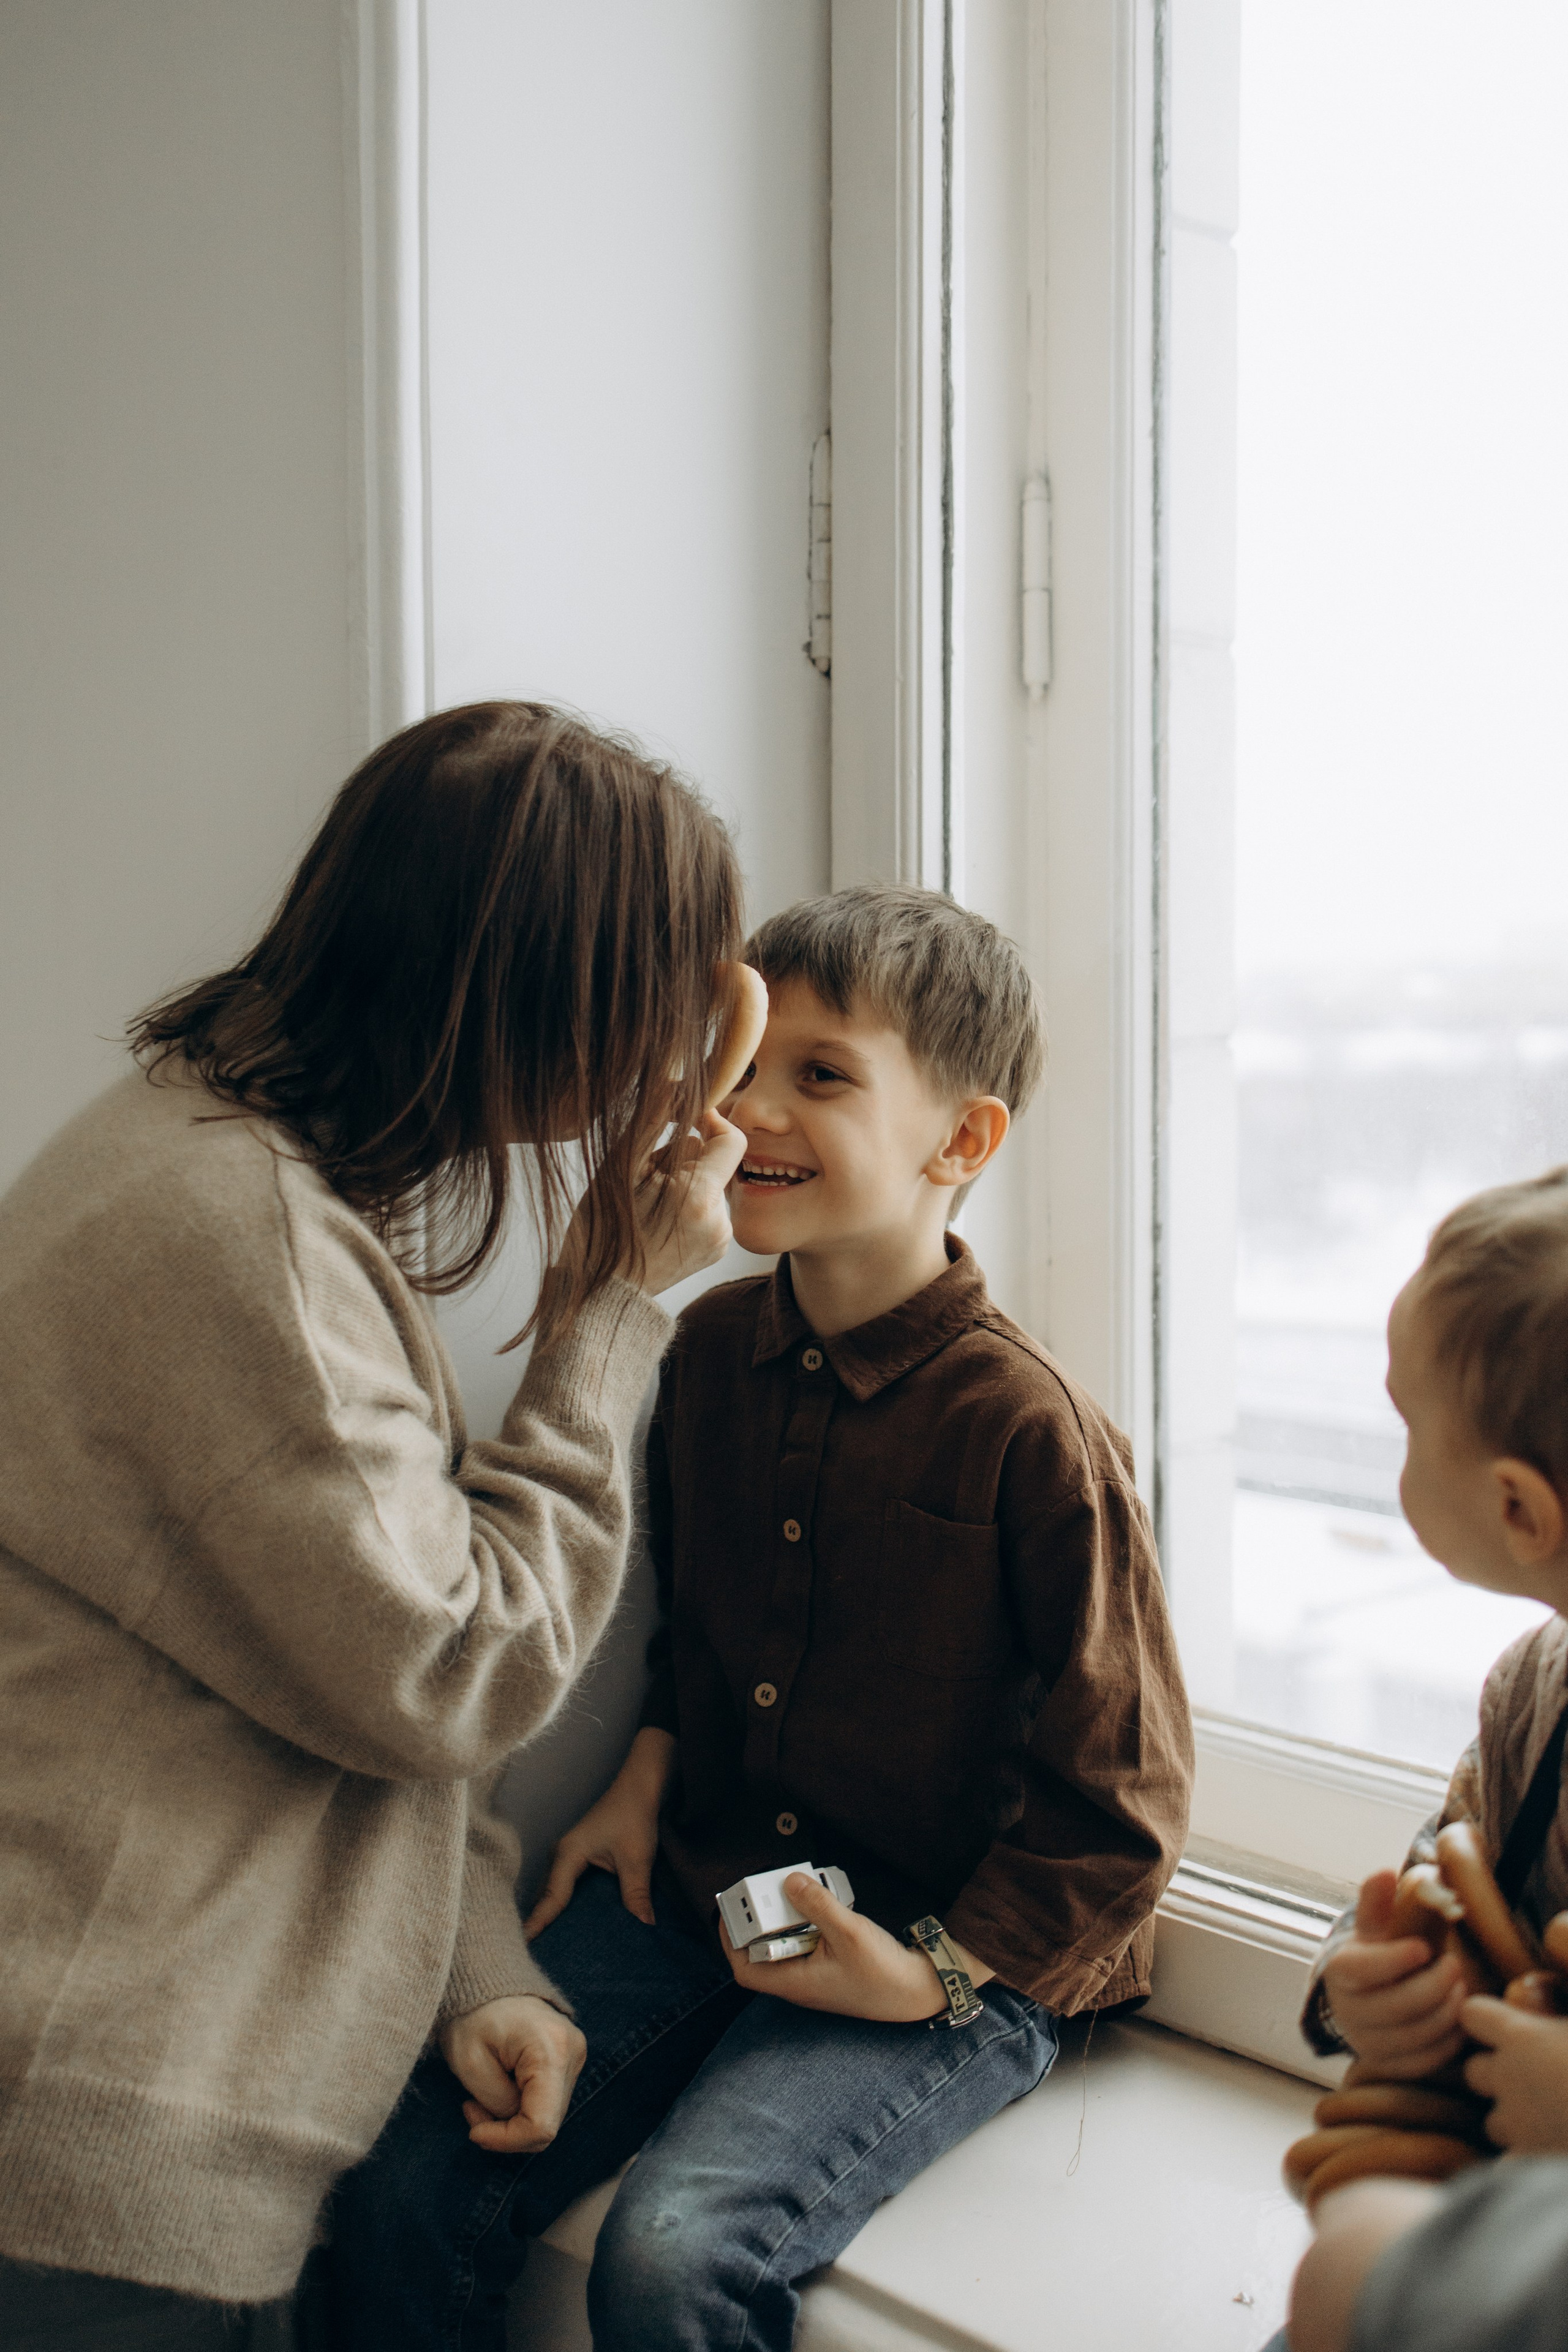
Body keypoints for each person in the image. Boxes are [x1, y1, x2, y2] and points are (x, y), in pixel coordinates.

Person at [330, 882, 1195, 2352]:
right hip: (709, 1893)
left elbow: (1123, 1793)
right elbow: (712, 1625)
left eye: (821, 1075)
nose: (753, 1112)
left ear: (960, 1141)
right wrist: (653, 1757)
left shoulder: (1033, 1433)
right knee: (398, 2180)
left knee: (670, 2261)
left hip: (947, 1956)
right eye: (737, 1072)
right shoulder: (708, 1348)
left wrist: (933, 1972)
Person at [0, 703, 750, 2349]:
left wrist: (471, 1967)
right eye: (652, 1003)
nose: (663, 1063)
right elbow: (450, 1670)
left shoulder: (217, 1172)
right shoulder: (238, 1240)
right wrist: (613, 1312)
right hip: (95, 2148)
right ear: (548, 995)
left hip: (127, 2115)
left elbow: (321, 1666)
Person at [1268, 1169, 1568, 2350]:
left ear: (1516, 1510)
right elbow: (1445, 1863)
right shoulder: (1530, 1696)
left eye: (1404, 1423)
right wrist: (1366, 1988)